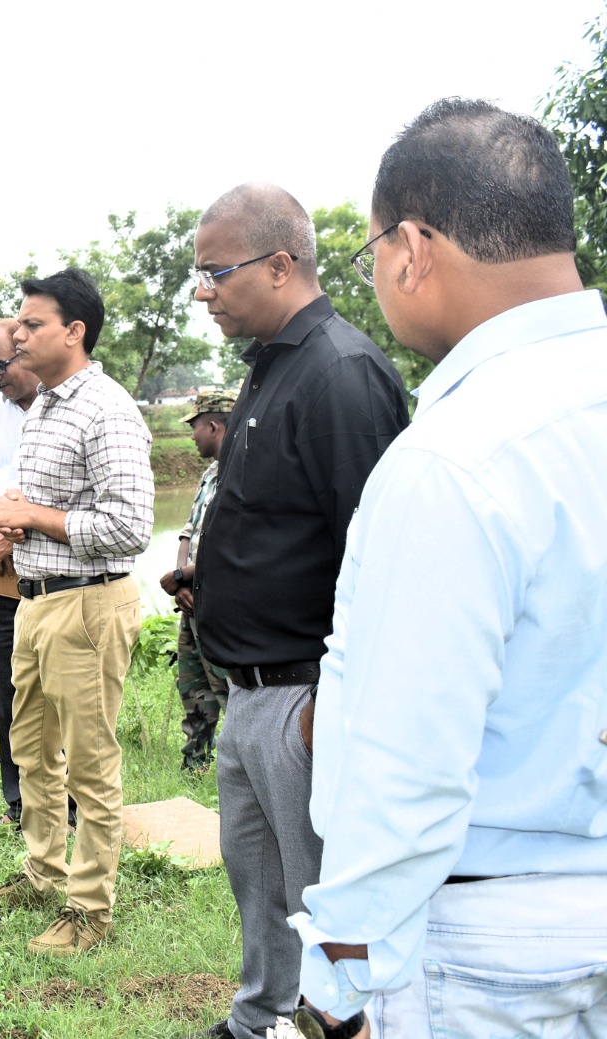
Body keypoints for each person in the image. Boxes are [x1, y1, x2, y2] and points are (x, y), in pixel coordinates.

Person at [287, 98, 607, 1039]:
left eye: (373, 252)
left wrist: (336, 988)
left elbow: (405, 764)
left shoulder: (459, 457)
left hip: (491, 952)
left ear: (412, 250)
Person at [184, 186, 410, 1039]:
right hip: (247, 688)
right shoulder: (272, 363)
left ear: (280, 265)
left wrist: (329, 705)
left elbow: (378, 557)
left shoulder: (340, 373)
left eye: (216, 272)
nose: (204, 291)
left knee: (323, 893)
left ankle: (337, 1023)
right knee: (258, 878)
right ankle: (260, 1017)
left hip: (302, 692)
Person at [0, 269, 153, 956]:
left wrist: (31, 515)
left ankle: (90, 909)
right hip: (37, 599)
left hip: (88, 604)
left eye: (33, 323)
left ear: (74, 332)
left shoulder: (106, 408)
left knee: (89, 765)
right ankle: (43, 871)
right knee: (32, 749)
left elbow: (129, 526)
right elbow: (47, 506)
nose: (18, 335)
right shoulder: (43, 405)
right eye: (19, 322)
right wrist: (9, 531)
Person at [0, 317, 67, 828]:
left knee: (57, 691)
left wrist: (13, 531)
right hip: (1, 570)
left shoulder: (61, 404)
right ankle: (19, 800)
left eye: (1, 365)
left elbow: (61, 491)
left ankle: (68, 803)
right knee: (9, 691)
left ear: (27, 352)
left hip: (52, 569)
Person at [158, 389, 235, 772]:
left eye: (195, 427)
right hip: (194, 601)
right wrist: (183, 585)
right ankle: (196, 762)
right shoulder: (210, 474)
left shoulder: (240, 475)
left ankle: (239, 767)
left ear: (214, 426)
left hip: (222, 604)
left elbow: (225, 545)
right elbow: (188, 533)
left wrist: (179, 577)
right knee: (193, 686)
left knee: (229, 690)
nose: (192, 435)